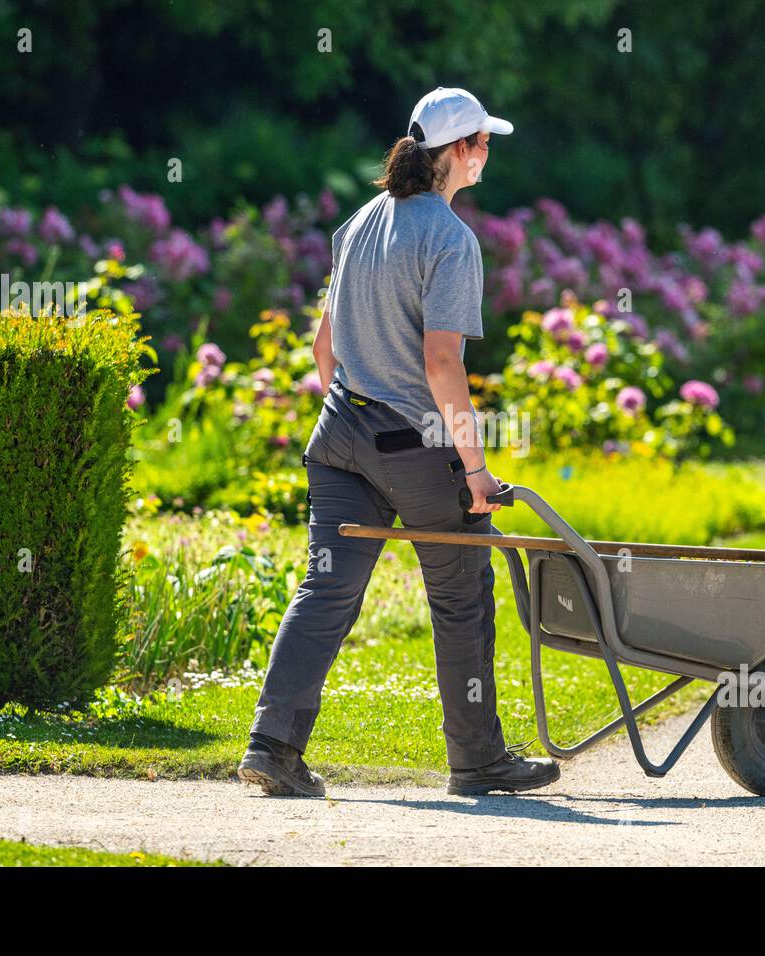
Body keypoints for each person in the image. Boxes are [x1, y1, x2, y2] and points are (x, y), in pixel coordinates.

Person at [237, 87, 560, 798]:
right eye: (484, 142)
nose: (488, 154)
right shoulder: (449, 240)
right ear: (459, 152)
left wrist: (350, 406)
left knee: (324, 589)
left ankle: (272, 747)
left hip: (340, 433)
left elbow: (325, 345)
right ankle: (477, 761)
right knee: (462, 594)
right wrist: (474, 470)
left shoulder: (358, 223)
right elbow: (441, 364)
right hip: (414, 445)